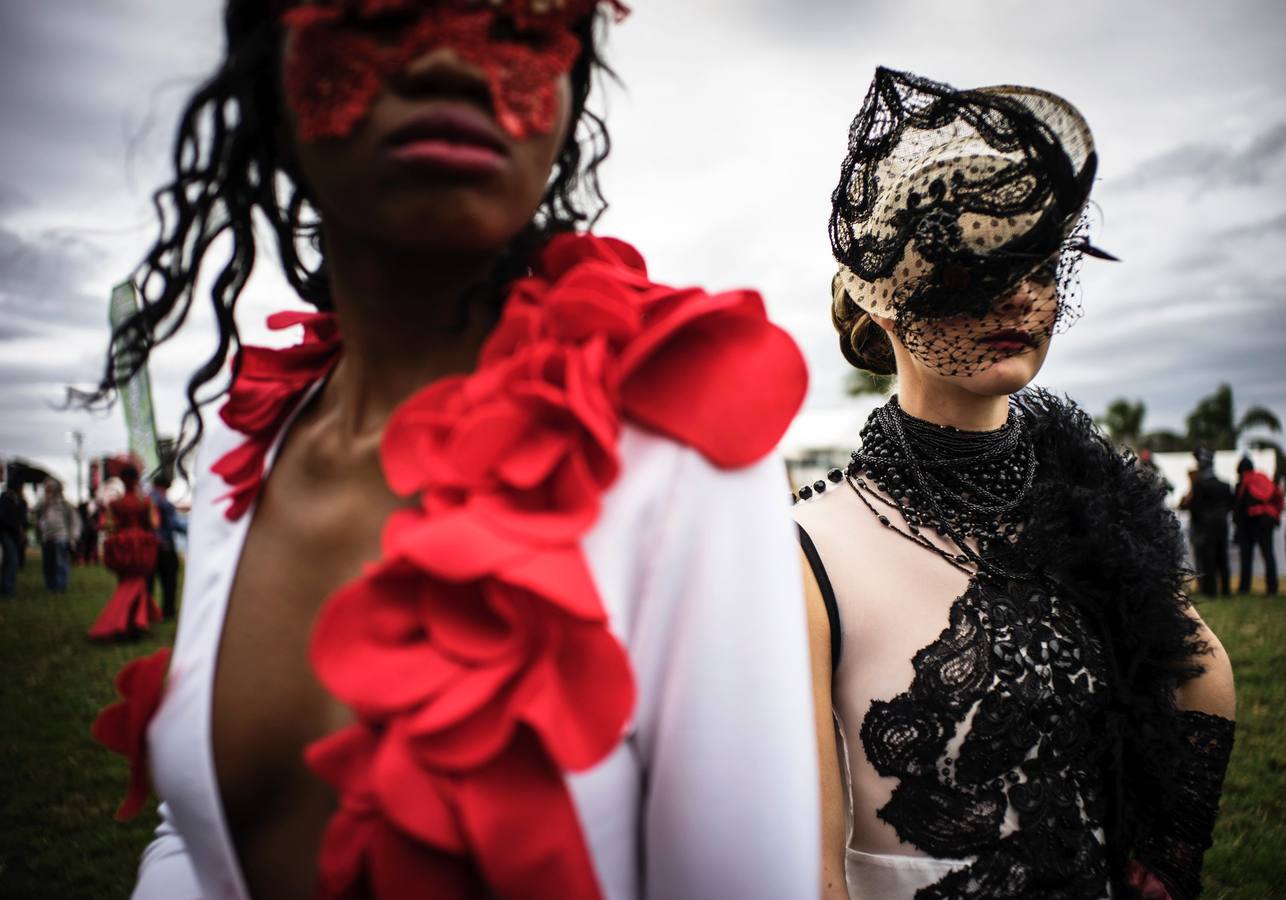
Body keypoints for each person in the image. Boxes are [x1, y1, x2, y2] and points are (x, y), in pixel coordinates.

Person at [86, 3, 819, 899]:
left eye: (519, 24)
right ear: (268, 66)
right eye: (377, 11)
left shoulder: (670, 436)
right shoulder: (247, 442)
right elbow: (195, 845)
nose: (452, 66)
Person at [794, 68, 1235, 900]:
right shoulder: (810, 550)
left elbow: (1199, 663)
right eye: (972, 270)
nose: (1021, 297)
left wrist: (1168, 851)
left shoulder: (1088, 505)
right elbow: (813, 869)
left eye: (1037, 262)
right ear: (886, 304)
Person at [88, 464, 164, 640]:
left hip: (122, 545)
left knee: (126, 584)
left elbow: (107, 525)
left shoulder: (115, 504)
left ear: (122, 480)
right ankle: (129, 623)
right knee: (138, 584)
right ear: (137, 480)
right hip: (141, 546)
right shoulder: (145, 502)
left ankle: (131, 623)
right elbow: (154, 524)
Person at [1181, 448, 1233, 597]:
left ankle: (1210, 591)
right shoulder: (1225, 485)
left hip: (1205, 527)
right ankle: (1226, 590)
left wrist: (1200, 521)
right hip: (1222, 524)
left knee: (1208, 558)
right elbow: (1231, 505)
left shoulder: (1199, 484)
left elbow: (1194, 507)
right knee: (1223, 557)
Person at [1233, 456, 1282, 595]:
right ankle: (1272, 588)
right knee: (1268, 555)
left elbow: (1238, 506)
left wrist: (1237, 524)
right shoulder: (1263, 479)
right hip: (1266, 522)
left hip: (1248, 525)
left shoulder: (1244, 483)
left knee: (1246, 558)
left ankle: (1244, 588)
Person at [146, 472, 186, 619]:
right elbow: (174, 524)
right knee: (169, 581)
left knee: (148, 583)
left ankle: (146, 612)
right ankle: (168, 611)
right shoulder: (164, 502)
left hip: (147, 547)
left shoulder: (145, 498)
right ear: (165, 486)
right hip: (165, 547)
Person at [33, 478, 78, 593]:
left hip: (61, 536)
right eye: (46, 489)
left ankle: (60, 587)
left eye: (50, 489)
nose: (48, 491)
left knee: (60, 563)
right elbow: (34, 512)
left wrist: (72, 537)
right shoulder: (43, 503)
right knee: (48, 564)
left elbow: (73, 521)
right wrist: (45, 503)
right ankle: (50, 586)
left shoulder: (64, 504)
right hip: (47, 537)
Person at [0, 484, 24, 596]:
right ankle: (7, 589)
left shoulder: (18, 499)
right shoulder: (6, 498)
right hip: (7, 533)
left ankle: (7, 588)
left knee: (10, 561)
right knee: (11, 561)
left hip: (13, 534)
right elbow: (4, 517)